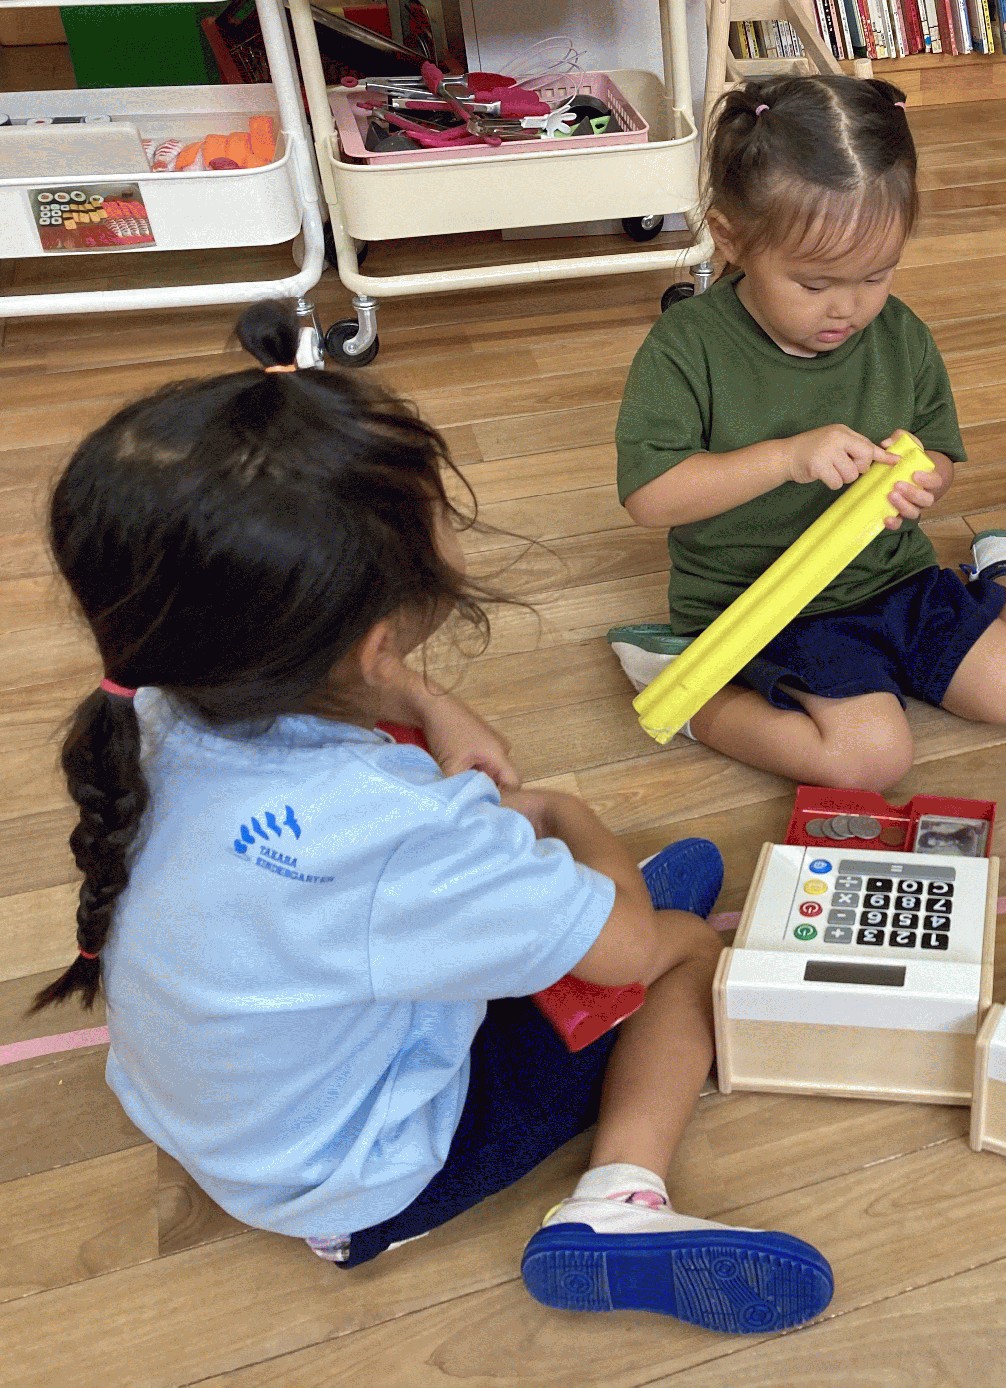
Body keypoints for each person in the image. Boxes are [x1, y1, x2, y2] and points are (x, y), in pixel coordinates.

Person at [35, 303, 833, 1335]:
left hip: (222, 1113)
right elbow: (626, 949)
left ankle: (563, 932)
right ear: (376, 639)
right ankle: (617, 1202)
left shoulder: (149, 705)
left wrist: (421, 696)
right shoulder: (400, 822)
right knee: (679, 941)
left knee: (663, 874)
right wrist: (567, 812)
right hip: (358, 1181)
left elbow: (355, 792)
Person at [609, 74, 1006, 789]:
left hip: (893, 577)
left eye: (877, 275)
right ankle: (684, 681)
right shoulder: (686, 347)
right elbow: (651, 498)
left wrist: (927, 480)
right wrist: (787, 458)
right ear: (731, 238)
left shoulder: (900, 334)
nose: (848, 309)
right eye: (815, 284)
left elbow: (938, 450)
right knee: (870, 758)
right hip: (763, 603)